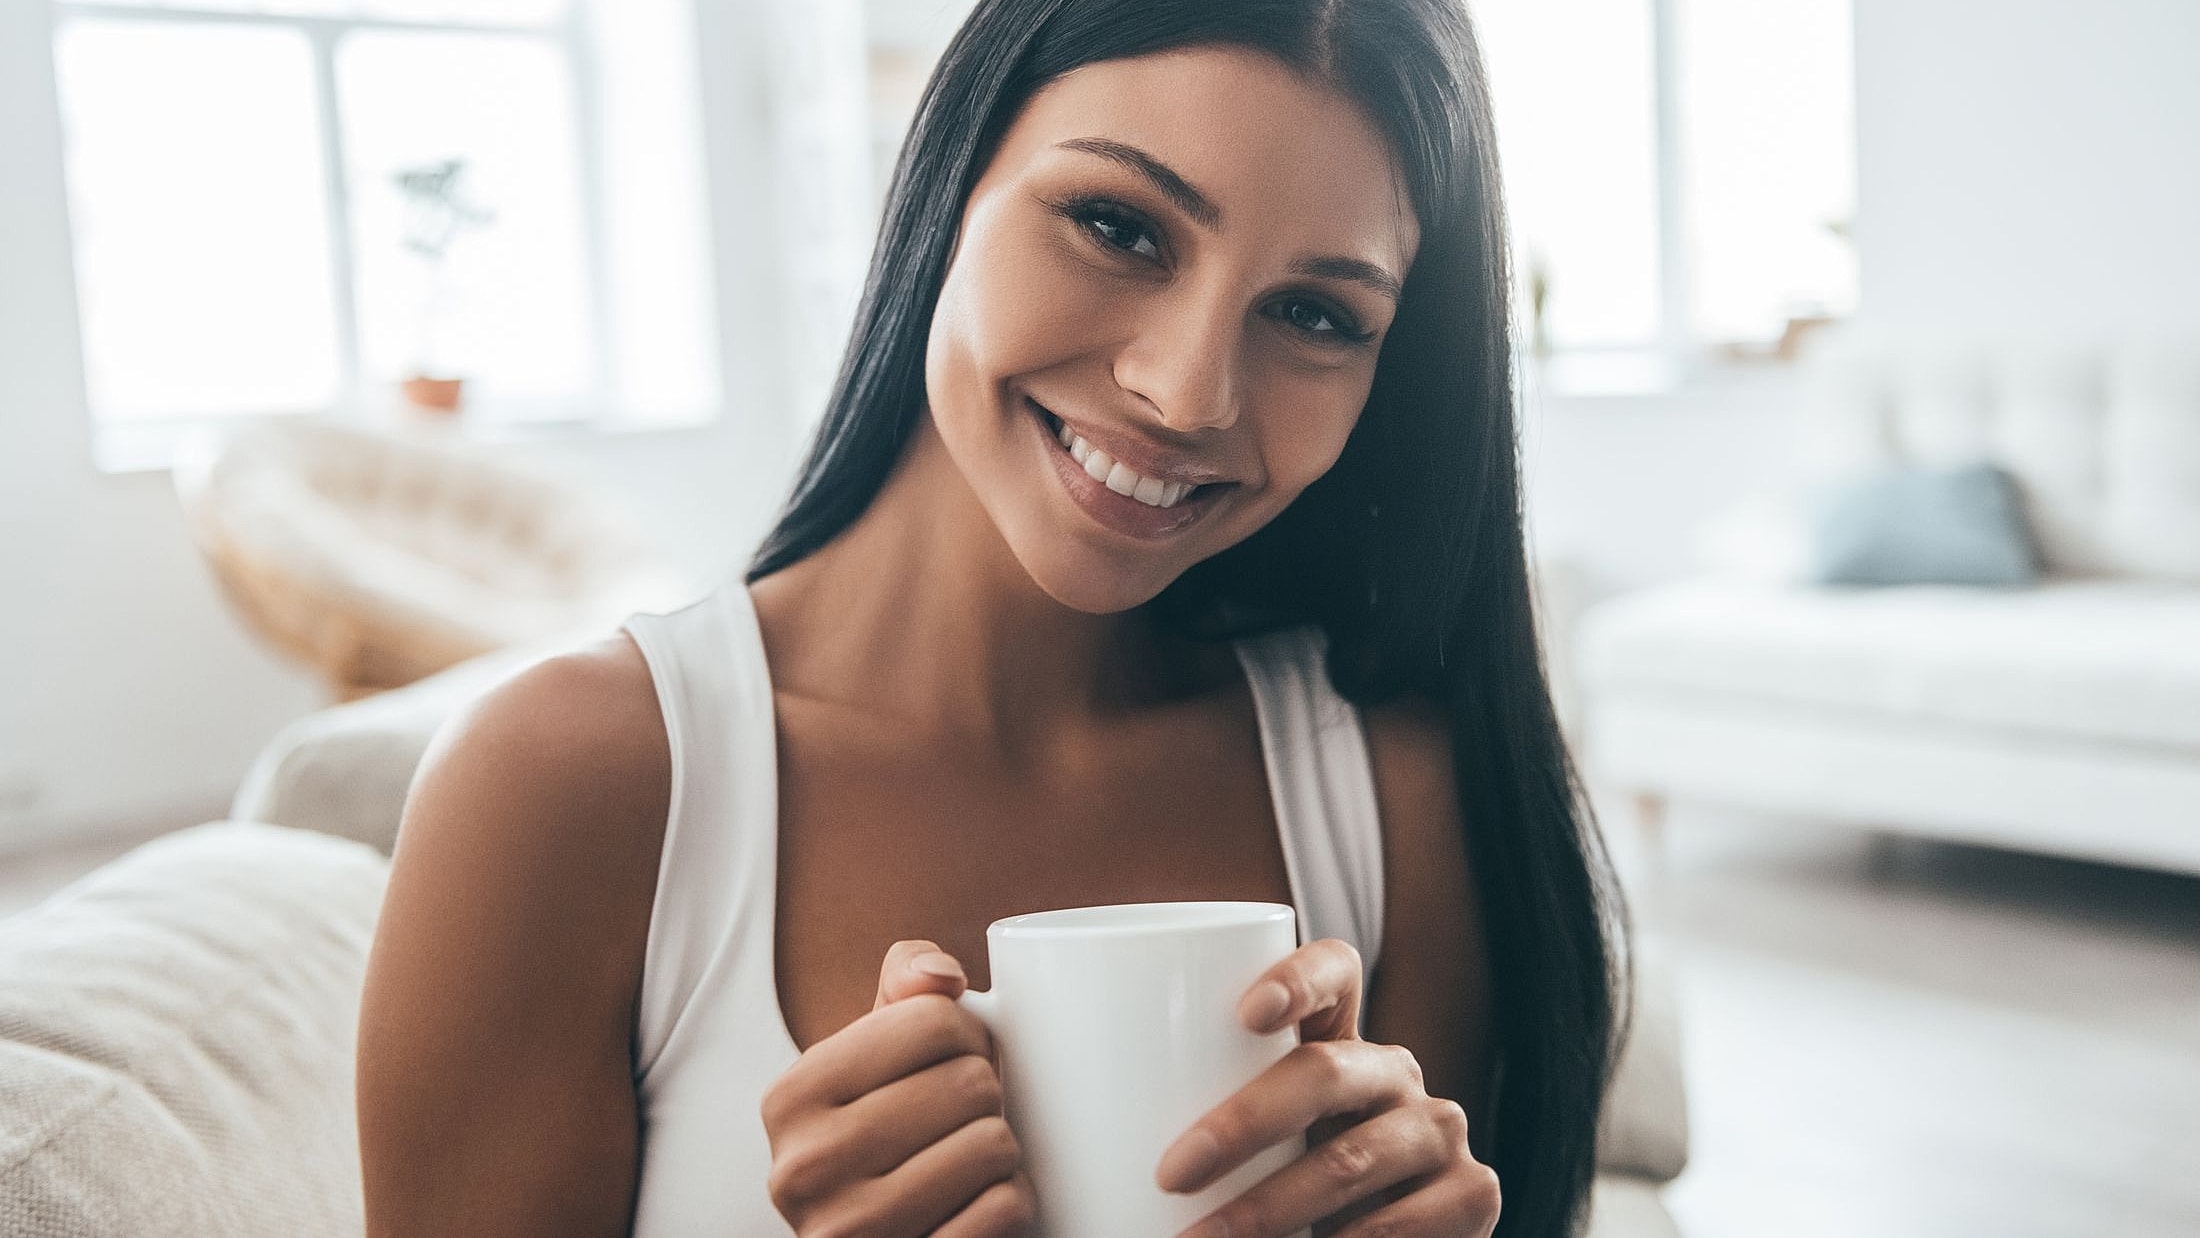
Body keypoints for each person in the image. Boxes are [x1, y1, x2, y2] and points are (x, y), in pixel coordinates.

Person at [355, 0, 1630, 1235]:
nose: (1185, 393)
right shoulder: (572, 788)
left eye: (1314, 314)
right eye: (1118, 226)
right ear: (949, 176)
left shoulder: (1394, 786)